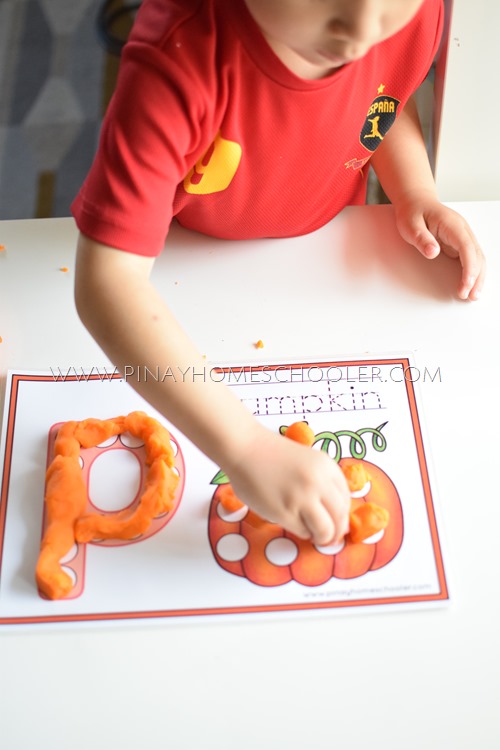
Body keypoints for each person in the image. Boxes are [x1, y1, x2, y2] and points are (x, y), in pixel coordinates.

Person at [72, 0, 485, 548]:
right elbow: (107, 282)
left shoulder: (410, 16)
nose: (360, 31)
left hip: (323, 261)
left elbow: (383, 100)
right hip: (186, 269)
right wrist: (245, 447)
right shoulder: (178, 61)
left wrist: (415, 190)